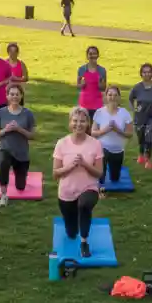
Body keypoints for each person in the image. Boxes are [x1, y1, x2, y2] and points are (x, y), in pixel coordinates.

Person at [52, 107, 104, 258]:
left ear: (88, 123)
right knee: (71, 232)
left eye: (82, 121)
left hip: (89, 188)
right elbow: (55, 174)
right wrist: (70, 166)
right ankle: (74, 229)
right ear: (70, 123)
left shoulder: (95, 144)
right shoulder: (62, 144)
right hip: (67, 191)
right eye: (75, 121)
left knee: (84, 205)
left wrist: (85, 164)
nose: (78, 124)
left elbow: (99, 173)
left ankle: (84, 242)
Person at [0, 84, 37, 206]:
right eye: (11, 94)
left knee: (20, 187)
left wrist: (19, 129)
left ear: (21, 96)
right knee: (3, 164)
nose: (14, 97)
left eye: (17, 94)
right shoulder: (0, 113)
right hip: (5, 148)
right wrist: (5, 130)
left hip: (21, 152)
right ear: (7, 96)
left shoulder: (28, 114)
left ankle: (21, 175)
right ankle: (3, 195)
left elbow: (32, 136)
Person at [92, 86, 134, 187]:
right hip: (102, 148)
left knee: (115, 179)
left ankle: (112, 170)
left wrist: (117, 130)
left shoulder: (125, 113)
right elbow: (93, 133)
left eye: (115, 95)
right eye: (110, 95)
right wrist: (105, 130)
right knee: (101, 180)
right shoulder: (99, 112)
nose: (112, 97)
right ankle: (100, 170)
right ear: (106, 97)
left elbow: (130, 134)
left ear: (119, 97)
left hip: (118, 150)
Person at [129, 63, 152, 169]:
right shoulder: (137, 88)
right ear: (141, 74)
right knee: (141, 136)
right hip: (139, 117)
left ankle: (148, 159)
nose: (147, 74)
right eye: (144, 72)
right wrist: (134, 109)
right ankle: (141, 154)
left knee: (148, 135)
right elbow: (130, 99)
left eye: (149, 72)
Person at [76, 46, 106, 123]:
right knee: (84, 125)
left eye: (94, 54)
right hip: (84, 103)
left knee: (95, 127)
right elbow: (78, 85)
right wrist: (82, 84)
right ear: (87, 56)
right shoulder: (82, 69)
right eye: (90, 54)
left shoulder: (102, 70)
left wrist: (100, 84)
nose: (92, 56)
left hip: (97, 103)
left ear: (98, 55)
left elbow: (103, 88)